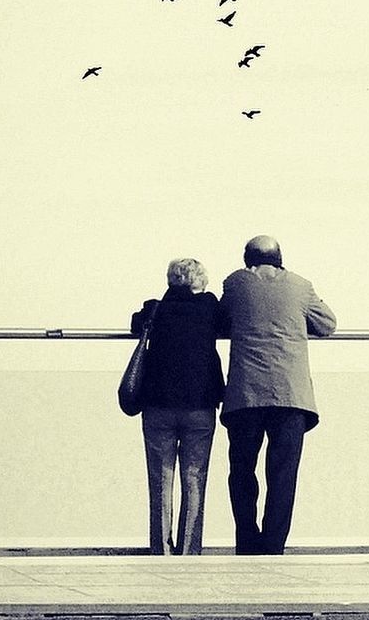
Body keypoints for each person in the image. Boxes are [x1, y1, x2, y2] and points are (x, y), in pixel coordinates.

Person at [216, 235, 337, 554]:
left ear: (247, 259)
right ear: (280, 258)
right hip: (290, 394)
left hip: (246, 395)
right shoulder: (300, 285)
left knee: (241, 470)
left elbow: (220, 320)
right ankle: (273, 546)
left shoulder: (235, 283)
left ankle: (246, 540)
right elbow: (327, 324)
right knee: (283, 475)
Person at [129, 258, 225, 555]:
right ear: (199, 282)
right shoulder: (209, 307)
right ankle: (189, 549)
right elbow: (227, 321)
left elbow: (135, 324)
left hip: (157, 405)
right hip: (199, 405)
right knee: (194, 478)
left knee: (161, 478)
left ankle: (161, 549)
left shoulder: (154, 309)